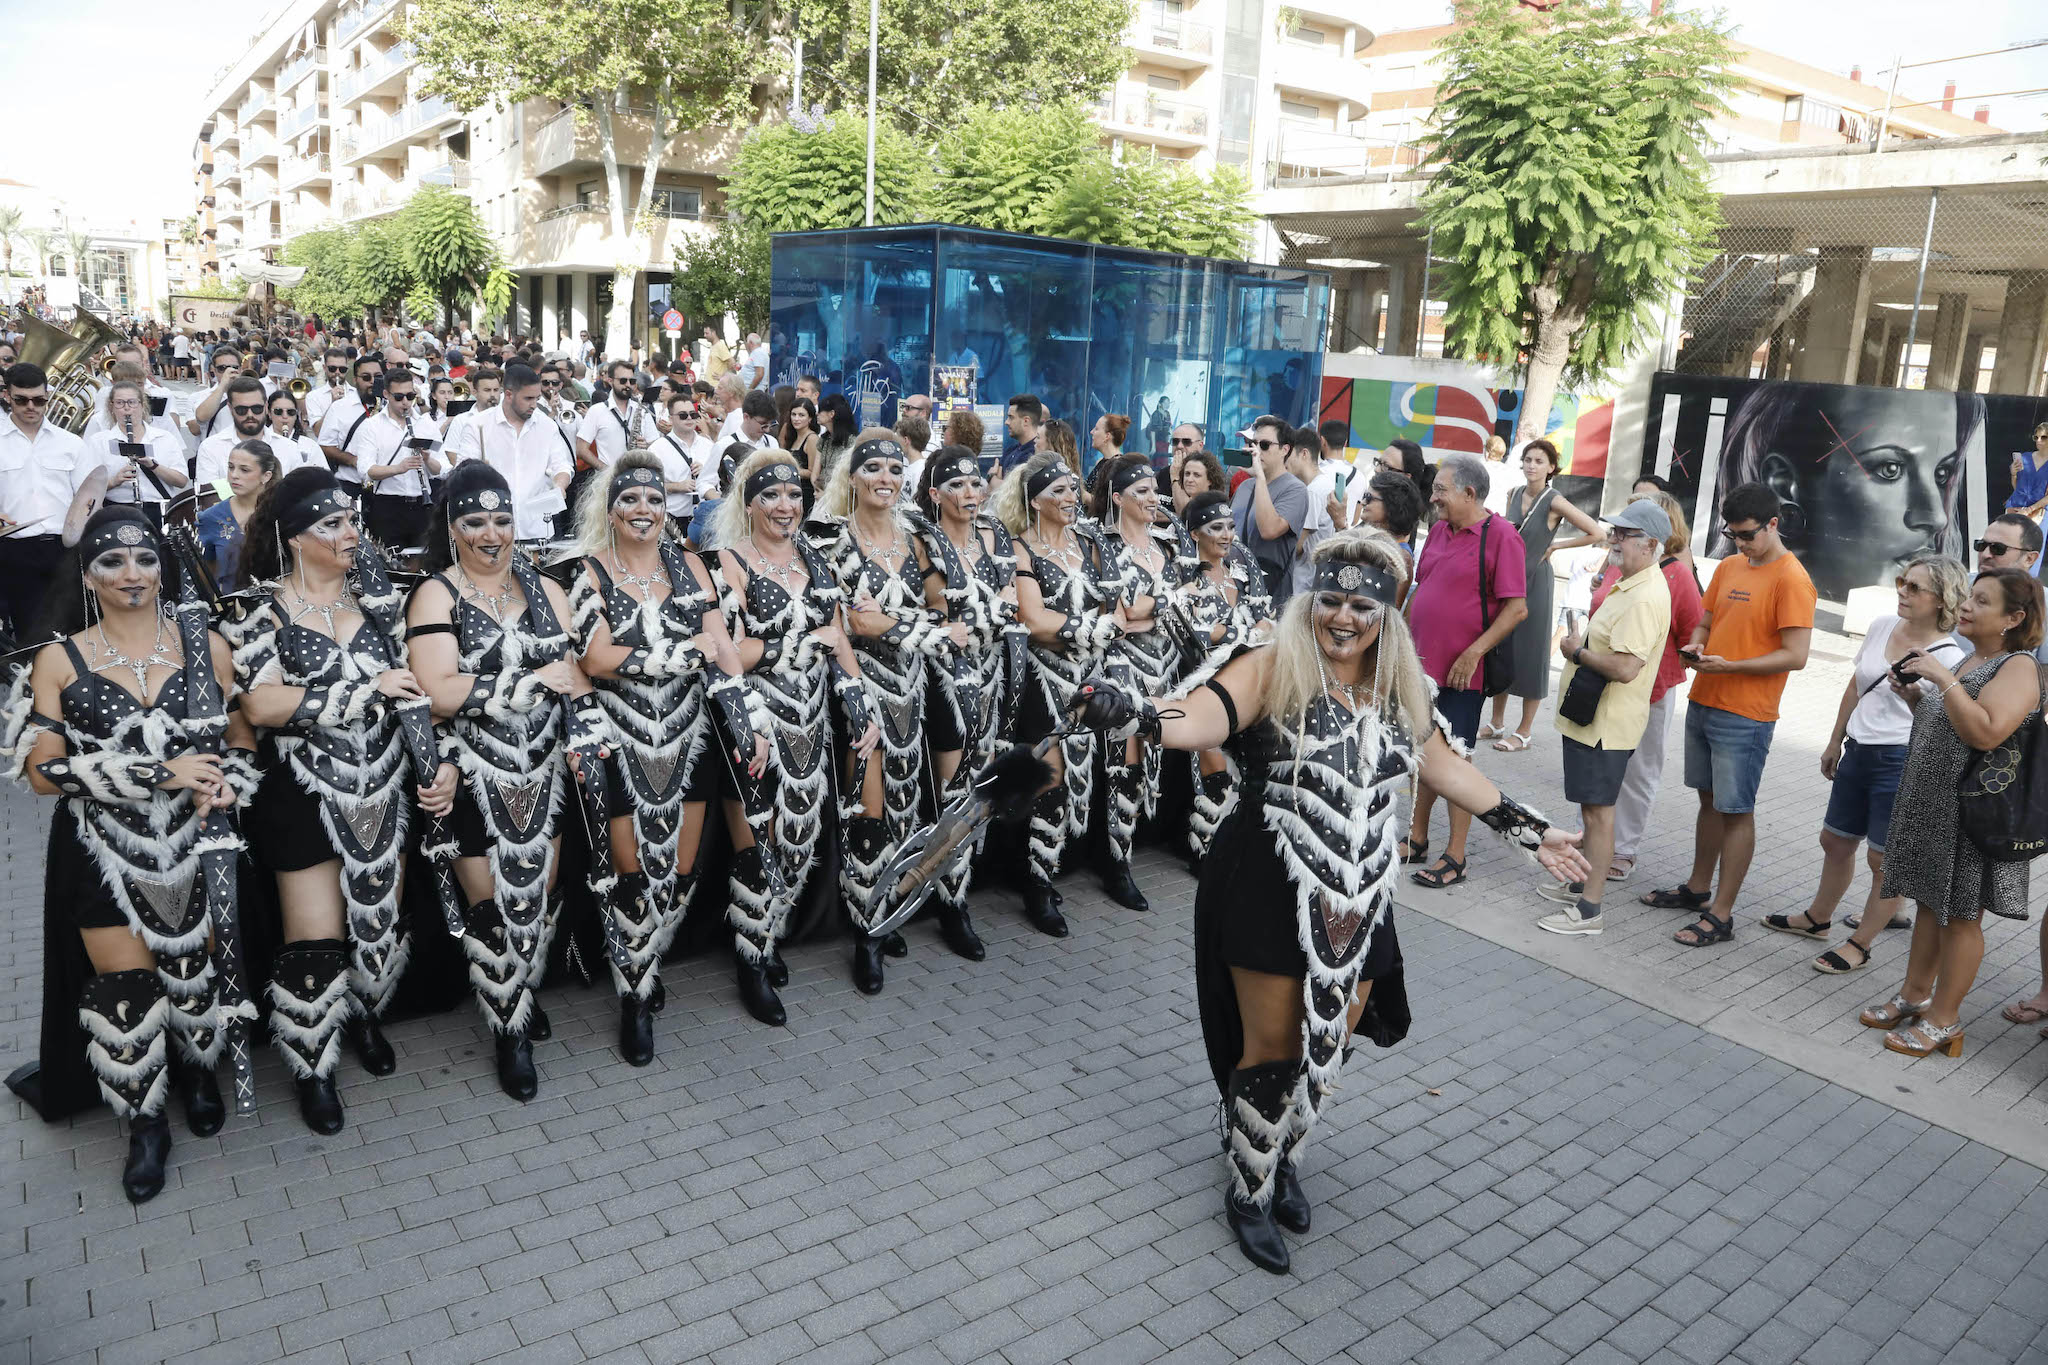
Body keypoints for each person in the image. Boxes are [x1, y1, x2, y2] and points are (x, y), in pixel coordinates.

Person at [1069, 530, 1588, 1272]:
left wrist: (1529, 831)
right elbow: (1204, 715)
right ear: (1312, 601)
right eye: (1331, 601)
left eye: (1362, 606)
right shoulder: (1273, 660)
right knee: (1274, 1050)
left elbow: (1443, 765)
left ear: (1387, 614)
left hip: (1362, 897)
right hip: (1268, 880)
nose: (1344, 617)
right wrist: (1140, 715)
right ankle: (1249, 1185)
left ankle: (1283, 1153)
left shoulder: (1400, 688)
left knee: (1328, 1047)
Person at [2, 507, 260, 1202]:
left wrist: (230, 777)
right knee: (125, 991)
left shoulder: (206, 642)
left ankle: (199, 1072)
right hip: (99, 846)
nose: (132, 574)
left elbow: (241, 733)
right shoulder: (59, 658)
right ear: (88, 575)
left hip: (195, 841)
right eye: (112, 562)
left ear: (163, 567)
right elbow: (40, 773)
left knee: (194, 967)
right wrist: (158, 772)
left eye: (145, 559)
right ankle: (145, 1122)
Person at [227, 470, 459, 1129]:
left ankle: (361, 1015)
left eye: (353, 520)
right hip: (301, 791)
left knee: (376, 918)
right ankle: (313, 1062)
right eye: (332, 523)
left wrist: (437, 767)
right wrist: (362, 692)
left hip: (384, 781)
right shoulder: (258, 610)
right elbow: (261, 702)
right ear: (296, 538)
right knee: (314, 936)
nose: (351, 532)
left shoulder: (385, 602)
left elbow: (417, 695)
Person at [406, 461, 602, 1100]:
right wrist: (525, 684)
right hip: (474, 770)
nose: (491, 534)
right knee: (491, 903)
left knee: (537, 896)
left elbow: (574, 673)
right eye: (475, 522)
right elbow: (435, 692)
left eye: (501, 520)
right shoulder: (438, 593)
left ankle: (520, 989)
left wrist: (580, 711)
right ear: (453, 528)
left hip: (545, 768)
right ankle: (508, 1028)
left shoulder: (546, 588)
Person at [566, 453, 767, 1063]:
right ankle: (633, 995)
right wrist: (680, 657)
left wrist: (747, 713)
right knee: (632, 878)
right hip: (622, 743)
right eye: (629, 500)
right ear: (611, 509)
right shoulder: (587, 572)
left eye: (653, 500)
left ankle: (648, 961)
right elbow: (596, 658)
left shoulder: (692, 569)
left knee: (678, 874)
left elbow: (724, 649)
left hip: (690, 739)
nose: (643, 511)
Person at [709, 449, 881, 1024]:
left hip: (813, 716)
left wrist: (861, 696)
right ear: (749, 504)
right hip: (756, 720)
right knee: (761, 841)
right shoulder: (728, 561)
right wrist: (797, 647)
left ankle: (769, 936)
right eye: (772, 497)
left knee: (801, 837)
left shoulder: (816, 556)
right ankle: (751, 962)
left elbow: (838, 638)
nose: (786, 507)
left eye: (794, 496)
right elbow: (726, 652)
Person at [1863, 569, 2045, 1059]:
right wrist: (1917, 696)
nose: (1966, 607)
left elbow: (1986, 733)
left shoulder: (2019, 667)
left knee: (1962, 916)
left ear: (2014, 617)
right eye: (1969, 597)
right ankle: (1914, 995)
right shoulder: (1973, 658)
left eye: (1981, 601)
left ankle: (1945, 1019)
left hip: (1974, 817)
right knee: (1928, 901)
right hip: (1934, 809)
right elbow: (1950, 719)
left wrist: (1942, 677)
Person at [810, 431, 962, 990]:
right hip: (857, 685)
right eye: (871, 468)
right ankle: (866, 934)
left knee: (902, 805)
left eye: (894, 470)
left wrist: (886, 620)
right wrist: (890, 623)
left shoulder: (920, 536)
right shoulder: (826, 539)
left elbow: (944, 612)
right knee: (865, 808)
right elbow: (838, 620)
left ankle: (886, 906)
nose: (884, 478)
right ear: (851, 478)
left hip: (912, 686)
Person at [1768, 556, 1967, 972]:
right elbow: (1855, 685)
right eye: (1901, 582)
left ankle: (1860, 943)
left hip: (1901, 761)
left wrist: (1914, 699)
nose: (1902, 592)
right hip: (1859, 750)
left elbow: (1945, 729)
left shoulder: (1949, 658)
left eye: (1915, 588)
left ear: (1942, 600)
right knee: (1835, 840)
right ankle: (1817, 918)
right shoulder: (1881, 625)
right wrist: (1834, 739)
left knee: (1885, 861)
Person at [1642, 482, 1815, 947]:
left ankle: (1722, 913)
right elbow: (1706, 619)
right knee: (1708, 800)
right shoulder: (1733, 566)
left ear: (1773, 524)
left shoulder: (1792, 579)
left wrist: (1734, 665)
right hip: (1706, 697)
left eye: (1748, 534)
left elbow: (1796, 655)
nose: (1740, 543)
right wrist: (1697, 644)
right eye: (1733, 534)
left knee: (1736, 810)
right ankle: (1699, 889)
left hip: (1747, 713)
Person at [999, 451, 1129, 935]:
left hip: (1091, 678)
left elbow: (1118, 610)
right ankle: (1038, 884)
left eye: (1074, 489)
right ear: (1035, 501)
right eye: (1059, 491)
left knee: (1097, 773)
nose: (1071, 498)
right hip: (1044, 680)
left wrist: (1084, 629)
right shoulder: (1019, 548)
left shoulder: (1090, 542)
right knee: (1049, 779)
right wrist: (1092, 628)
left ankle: (1098, 863)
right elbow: (1032, 621)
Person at [1532, 500, 1674, 934]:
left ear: (1650, 545)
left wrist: (1578, 652)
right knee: (1592, 811)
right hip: (1593, 718)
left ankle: (1589, 909)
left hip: (1606, 724)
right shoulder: (1630, 582)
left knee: (1598, 815)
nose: (1612, 540)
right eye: (1613, 532)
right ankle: (1581, 888)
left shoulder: (1646, 594)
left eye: (1623, 535)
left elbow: (1627, 668)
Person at [1708, 383, 1973, 602]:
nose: (1937, 516)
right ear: (1784, 483)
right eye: (1890, 469)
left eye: (1943, 474)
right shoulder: (1740, 575)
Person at [913, 445, 1019, 960]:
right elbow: (934, 613)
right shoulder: (924, 541)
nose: (970, 493)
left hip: (993, 673)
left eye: (976, 483)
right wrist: (980, 614)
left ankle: (956, 891)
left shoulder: (997, 535)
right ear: (935, 494)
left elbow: (1013, 603)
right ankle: (950, 904)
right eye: (956, 485)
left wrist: (985, 615)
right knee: (952, 790)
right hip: (946, 678)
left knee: (981, 785)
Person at [1404, 453, 1528, 890]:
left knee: (1457, 760)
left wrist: (1473, 653)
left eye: (1441, 490)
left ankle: (1455, 855)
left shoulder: (1502, 536)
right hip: (1422, 667)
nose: (1433, 496)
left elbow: (1516, 609)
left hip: (1462, 673)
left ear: (1469, 493)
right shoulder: (1439, 529)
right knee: (1423, 753)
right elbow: (1424, 586)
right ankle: (1417, 836)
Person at [1097, 454, 1184, 912]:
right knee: (1123, 761)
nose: (1153, 499)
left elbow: (1186, 600)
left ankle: (1137, 844)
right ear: (1117, 499)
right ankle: (1118, 863)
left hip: (1166, 663)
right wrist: (1161, 604)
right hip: (1122, 664)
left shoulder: (1166, 544)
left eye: (1155, 490)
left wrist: (1150, 608)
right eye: (1142, 492)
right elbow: (1120, 615)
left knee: (1156, 752)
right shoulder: (1105, 546)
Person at [1602, 489, 1703, 882]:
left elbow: (1693, 633)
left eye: (1630, 529)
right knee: (1601, 767)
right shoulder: (1620, 564)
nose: (1619, 535)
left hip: (1650, 690)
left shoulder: (1676, 575)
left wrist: (1656, 666)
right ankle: (1590, 837)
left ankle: (1623, 848)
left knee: (1639, 771)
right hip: (1606, 683)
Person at [1174, 489, 1274, 870]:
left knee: (1248, 766)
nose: (1228, 534)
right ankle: (1204, 849)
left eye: (1231, 526)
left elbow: (1265, 616)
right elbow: (1195, 631)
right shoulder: (1185, 572)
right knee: (1213, 767)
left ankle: (1233, 843)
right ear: (1196, 533)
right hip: (1203, 681)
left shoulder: (1242, 564)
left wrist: (1242, 634)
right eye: (1217, 527)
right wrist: (1243, 635)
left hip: (1248, 681)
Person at [1485, 439, 1604, 751]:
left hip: (1536, 582)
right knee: (1501, 647)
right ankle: (1497, 722)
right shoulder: (1513, 493)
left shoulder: (1555, 501)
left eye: (1538, 461)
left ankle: (1523, 731)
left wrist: (1556, 546)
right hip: (1507, 579)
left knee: (1533, 653)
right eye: (1527, 459)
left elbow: (1598, 532)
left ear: (1551, 467)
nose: (1531, 465)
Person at [1, 362, 96, 636]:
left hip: (64, 550)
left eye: (39, 399)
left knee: (75, 630)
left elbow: (90, 498)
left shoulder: (71, 443)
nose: (31, 406)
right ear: (7, 396)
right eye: (21, 400)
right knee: (28, 631)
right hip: (14, 550)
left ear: (47, 397)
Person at [347, 368, 440, 550]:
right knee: (392, 563)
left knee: (424, 562)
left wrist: (428, 459)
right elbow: (366, 470)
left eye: (410, 396)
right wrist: (399, 468)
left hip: (423, 505)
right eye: (399, 397)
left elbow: (441, 470)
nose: (405, 402)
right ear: (386, 394)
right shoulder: (372, 426)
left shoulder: (425, 423)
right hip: (388, 506)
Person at [1232, 415, 1311, 607]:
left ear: (1285, 449)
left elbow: (1269, 530)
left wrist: (1259, 478)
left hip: (1270, 595)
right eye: (1253, 444)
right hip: (1234, 589)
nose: (1256, 451)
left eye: (1264, 445)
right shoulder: (1245, 486)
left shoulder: (1295, 489)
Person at [195, 440, 283, 592]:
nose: (234, 475)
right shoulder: (211, 517)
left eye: (244, 470)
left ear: (266, 476)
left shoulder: (283, 512)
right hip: (232, 609)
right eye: (231, 467)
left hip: (282, 606)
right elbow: (206, 576)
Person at [88, 381, 190, 511]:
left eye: (132, 402)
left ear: (142, 406)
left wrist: (153, 466)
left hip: (159, 509)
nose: (127, 408)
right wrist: (114, 481)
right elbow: (87, 487)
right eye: (120, 403)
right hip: (117, 509)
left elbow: (181, 481)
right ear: (111, 407)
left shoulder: (165, 438)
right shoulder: (99, 441)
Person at [317, 353, 385, 493]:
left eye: (378, 376)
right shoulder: (340, 407)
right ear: (355, 380)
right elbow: (325, 445)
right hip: (351, 483)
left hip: (385, 486)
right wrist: (352, 460)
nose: (372, 381)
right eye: (366, 377)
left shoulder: (391, 406)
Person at [1351, 472, 1423, 593]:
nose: (1363, 502)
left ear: (1391, 505)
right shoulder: (1373, 540)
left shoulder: (1400, 557)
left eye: (1369, 497)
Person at [262, 388, 326, 474]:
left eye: (290, 412)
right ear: (269, 413)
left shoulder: (310, 446)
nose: (285, 416)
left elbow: (324, 478)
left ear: (296, 415)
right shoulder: (260, 442)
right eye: (278, 411)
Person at [779, 395, 823, 495]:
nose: (796, 419)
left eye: (801, 415)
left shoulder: (812, 438)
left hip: (805, 492)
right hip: (789, 489)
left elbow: (813, 472)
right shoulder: (790, 434)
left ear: (810, 418)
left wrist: (789, 470)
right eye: (793, 414)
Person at [2008, 423, 2048, 529]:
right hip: (2016, 509)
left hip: (2038, 513)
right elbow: (2017, 488)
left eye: (2043, 437)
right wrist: (2013, 474)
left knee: (2034, 545)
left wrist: (2028, 510)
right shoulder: (2025, 457)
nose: (2039, 441)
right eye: (2036, 437)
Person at [1172, 443, 1227, 517]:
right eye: (1187, 474)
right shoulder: (1192, 506)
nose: (1189, 479)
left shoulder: (1213, 511)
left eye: (1196, 475)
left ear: (1210, 480)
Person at [1001, 394, 1046, 473]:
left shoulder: (1035, 455)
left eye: (1011, 417)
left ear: (1026, 421)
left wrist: (993, 478)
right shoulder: (1010, 450)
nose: (1006, 422)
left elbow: (1016, 485)